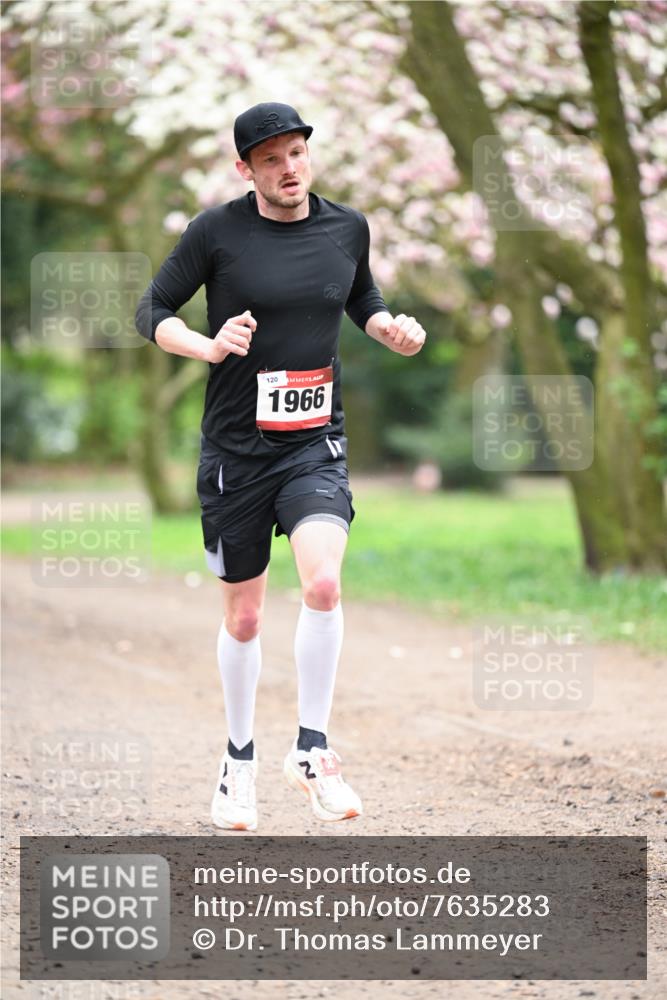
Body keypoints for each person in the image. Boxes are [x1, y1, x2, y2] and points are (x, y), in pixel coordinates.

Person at [135, 102, 426, 832]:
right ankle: (237, 762)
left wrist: (385, 325)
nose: (288, 168)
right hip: (235, 450)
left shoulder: (347, 226)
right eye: (271, 159)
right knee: (245, 614)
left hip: (312, 442)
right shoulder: (216, 232)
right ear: (246, 169)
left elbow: (358, 293)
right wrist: (206, 345)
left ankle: (313, 751)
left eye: (296, 153)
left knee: (323, 582)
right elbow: (152, 309)